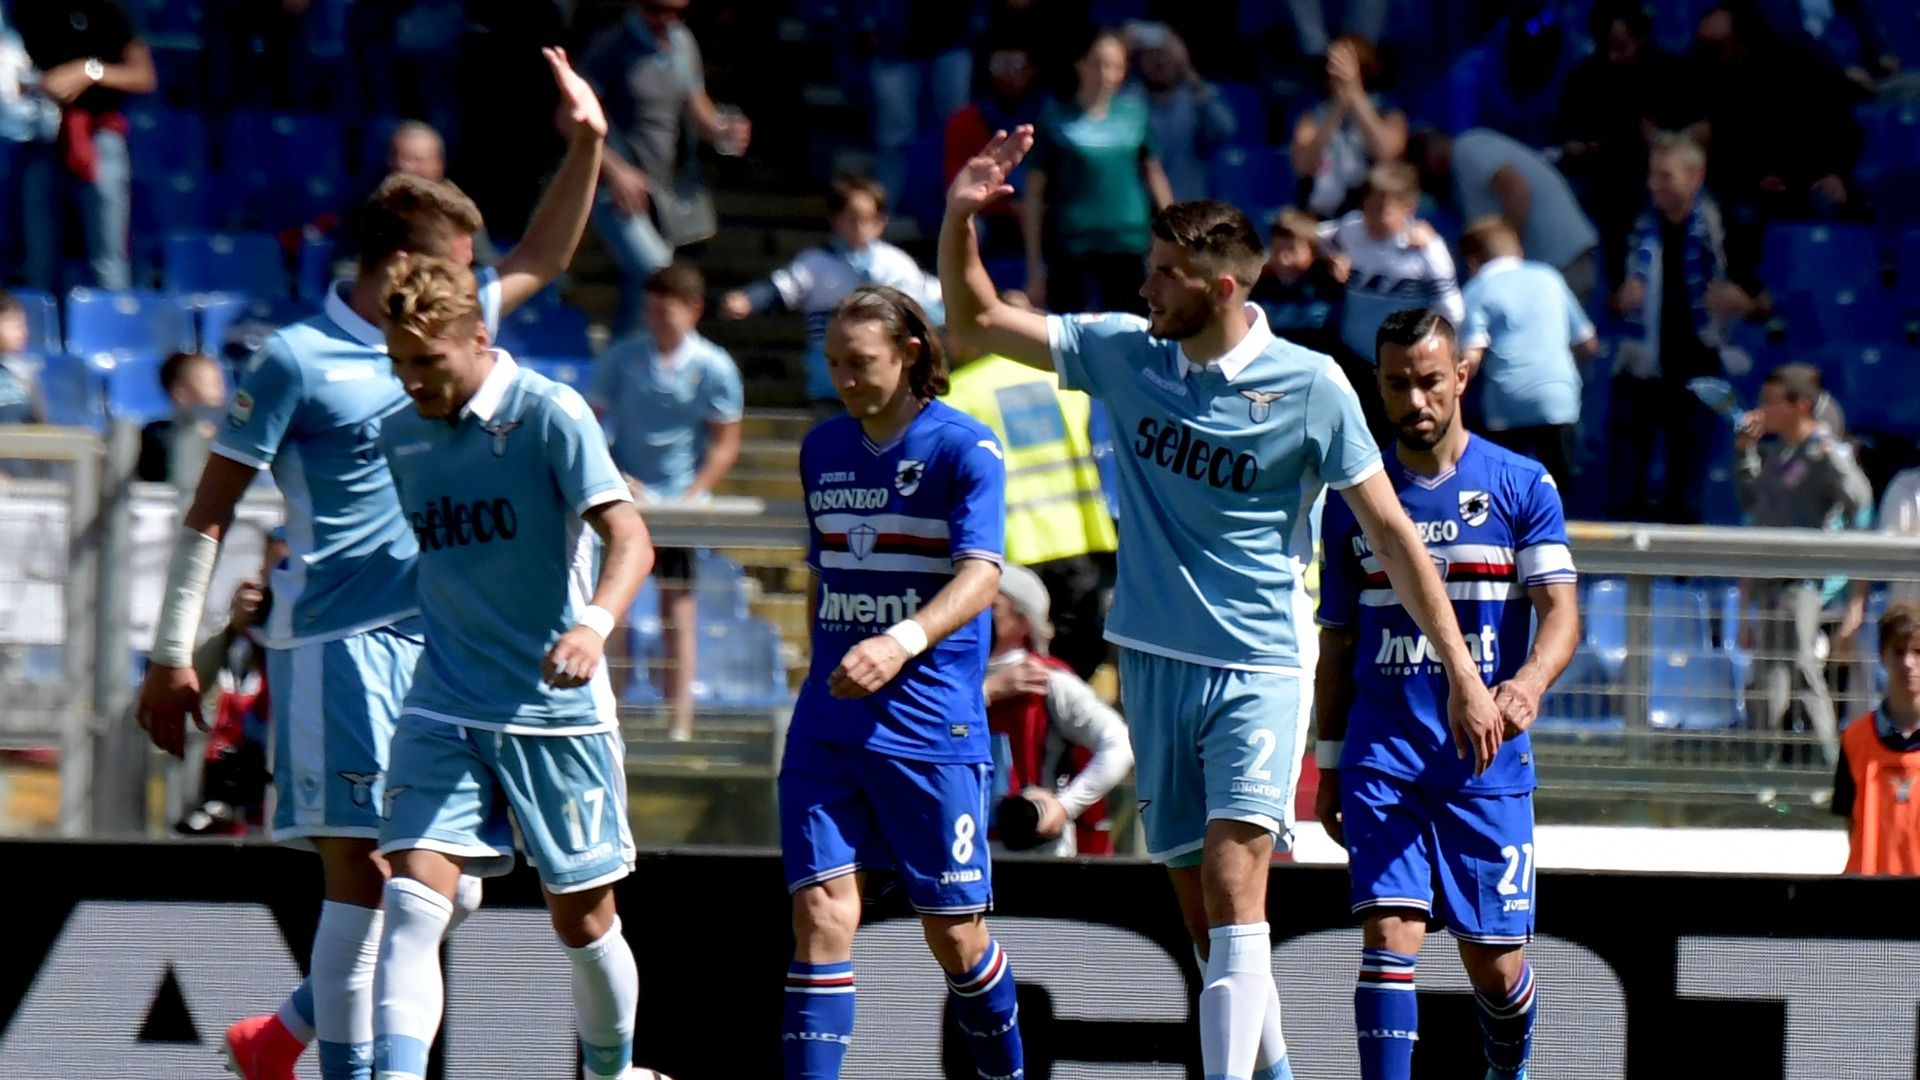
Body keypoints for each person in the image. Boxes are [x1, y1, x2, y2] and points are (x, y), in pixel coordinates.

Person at [941, 129, 1503, 1080]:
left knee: (1240, 888)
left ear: (1223, 288)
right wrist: (962, 214)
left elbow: (1395, 538)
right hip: (1154, 661)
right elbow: (979, 319)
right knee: (1205, 919)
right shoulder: (1124, 352)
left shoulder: (1313, 386)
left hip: (1258, 666)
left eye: (1165, 274)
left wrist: (1462, 670)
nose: (1146, 288)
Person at [134, 47, 607, 1080]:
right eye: (454, 258)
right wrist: (176, 655)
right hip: (339, 644)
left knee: (439, 885)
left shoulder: (442, 331)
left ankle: (288, 1034)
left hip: (446, 648)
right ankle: (327, 1061)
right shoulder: (296, 358)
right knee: (365, 879)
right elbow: (211, 509)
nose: (473, 279)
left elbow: (548, 254)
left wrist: (590, 142)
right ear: (400, 259)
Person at [370, 253, 655, 1080]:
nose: (414, 382)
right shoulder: (401, 436)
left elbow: (632, 539)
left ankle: (611, 1073)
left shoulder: (550, 414)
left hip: (553, 711)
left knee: (583, 920)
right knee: (412, 899)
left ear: (478, 339)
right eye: (399, 364)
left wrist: (594, 626)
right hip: (445, 699)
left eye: (429, 362)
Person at [1314, 307, 1579, 1080]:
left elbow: (1561, 612)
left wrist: (1525, 687)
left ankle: (1507, 1063)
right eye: (1397, 384)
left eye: (1430, 380)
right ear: (1379, 387)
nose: (1415, 400)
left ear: (1461, 376)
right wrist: (1328, 763)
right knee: (1390, 931)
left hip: (1484, 757)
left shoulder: (1521, 483)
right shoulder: (1353, 499)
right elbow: (1337, 641)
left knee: (1494, 969)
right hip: (1383, 750)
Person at [779, 285, 1019, 1080]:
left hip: (928, 728)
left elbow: (984, 576)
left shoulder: (964, 448)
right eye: (835, 363)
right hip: (829, 727)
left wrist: (901, 639)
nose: (844, 378)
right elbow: (823, 577)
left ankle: (1003, 1073)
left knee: (954, 936)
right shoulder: (821, 450)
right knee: (819, 915)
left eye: (861, 362)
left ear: (911, 352)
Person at [590, 262, 743, 741]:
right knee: (614, 608)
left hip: (678, 508)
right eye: (651, 310)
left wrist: (691, 495)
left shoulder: (714, 367)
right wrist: (614, 477)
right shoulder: (622, 358)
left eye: (666, 310)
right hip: (625, 503)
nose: (656, 319)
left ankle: (680, 724)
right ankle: (607, 718)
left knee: (677, 609)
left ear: (693, 310)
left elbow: (724, 442)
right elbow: (590, 422)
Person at [943, 302, 1117, 681]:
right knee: (1074, 669)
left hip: (1009, 553)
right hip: (1077, 542)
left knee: (1014, 669)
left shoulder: (958, 395)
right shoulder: (1066, 382)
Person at [1608, 131, 1764, 525]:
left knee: (1686, 485)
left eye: (1665, 176)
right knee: (1626, 485)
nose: (1653, 185)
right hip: (1640, 370)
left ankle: (1678, 580)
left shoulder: (1727, 227)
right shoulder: (1632, 224)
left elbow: (1769, 302)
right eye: (1652, 175)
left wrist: (1742, 303)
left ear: (1696, 176)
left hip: (1698, 370)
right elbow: (1605, 300)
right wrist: (1619, 298)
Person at [581, 0, 751, 338]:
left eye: (678, 11)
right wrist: (617, 171)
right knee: (658, 272)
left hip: (663, 194)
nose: (666, 19)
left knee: (641, 292)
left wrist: (722, 129)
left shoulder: (683, 42)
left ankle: (622, 372)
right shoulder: (610, 47)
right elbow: (570, 120)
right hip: (611, 190)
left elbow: (697, 108)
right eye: (657, 9)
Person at [1734, 363, 1873, 765]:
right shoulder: (1779, 454)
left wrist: (1842, 565)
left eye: (1770, 403)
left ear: (1800, 405)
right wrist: (1745, 455)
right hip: (1769, 584)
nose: (1761, 410)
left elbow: (1859, 503)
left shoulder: (1824, 452)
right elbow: (1753, 503)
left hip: (1802, 583)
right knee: (1768, 678)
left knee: (1801, 670)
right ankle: (1763, 769)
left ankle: (1830, 769)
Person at [720, 175, 941, 409]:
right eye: (851, 218)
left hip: (883, 385)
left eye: (868, 219)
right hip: (831, 384)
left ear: (881, 222)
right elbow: (780, 288)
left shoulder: (896, 263)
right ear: (835, 219)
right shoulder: (815, 263)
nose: (860, 227)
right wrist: (748, 300)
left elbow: (930, 298)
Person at [984, 561, 1132, 857]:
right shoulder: (947, 679)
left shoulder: (1049, 681)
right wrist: (987, 692)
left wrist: (1065, 805)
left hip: (1035, 856)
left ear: (1024, 619)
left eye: (991, 607)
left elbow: (1120, 743)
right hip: (959, 853)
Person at [1023, 26, 1173, 314]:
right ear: (1081, 65)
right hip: (1072, 245)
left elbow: (1154, 175)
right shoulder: (1054, 119)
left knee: (1130, 331)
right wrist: (1034, 265)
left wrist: (1174, 231)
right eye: (1098, 63)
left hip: (1127, 245)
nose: (1105, 73)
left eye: (1114, 66)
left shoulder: (1135, 115)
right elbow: (1034, 192)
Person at [11, 0, 155, 292]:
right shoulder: (24, 10)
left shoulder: (107, 8)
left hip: (97, 136)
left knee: (107, 261)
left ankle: (113, 332)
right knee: (37, 260)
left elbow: (144, 76)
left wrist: (89, 71)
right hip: (41, 134)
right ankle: (39, 332)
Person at [1321, 162, 1464, 442]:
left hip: (1402, 364)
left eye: (1382, 210)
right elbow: (1313, 236)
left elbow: (1452, 311)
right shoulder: (1351, 229)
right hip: (1354, 358)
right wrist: (1333, 258)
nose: (1371, 218)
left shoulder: (1427, 250)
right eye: (1368, 207)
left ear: (1407, 209)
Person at [1456, 217, 1598, 490]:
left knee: (1505, 490)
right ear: (1518, 251)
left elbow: (1471, 358)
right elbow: (1588, 343)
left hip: (1507, 405)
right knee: (1558, 490)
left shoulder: (1476, 290)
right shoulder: (1550, 277)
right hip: (1559, 399)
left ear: (1472, 262)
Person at [1406, 126, 1601, 305]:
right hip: (1552, 269)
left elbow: (1518, 192)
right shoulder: (1461, 179)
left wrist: (1504, 258)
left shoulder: (1468, 148)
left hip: (1562, 263)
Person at [942, 35, 1043, 272]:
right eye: (1000, 65)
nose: (1008, 74)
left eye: (1016, 65)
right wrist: (1007, 207)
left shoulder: (1048, 117)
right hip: (988, 213)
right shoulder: (963, 121)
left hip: (1039, 213)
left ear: (1031, 69)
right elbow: (954, 183)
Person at [1833, 602, 1920, 876]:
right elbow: (1852, 829)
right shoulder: (1854, 740)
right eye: (1898, 651)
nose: (1908, 662)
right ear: (1882, 655)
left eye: (1918, 652)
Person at [1289, 35, 1406, 219]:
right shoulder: (1311, 118)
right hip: (1320, 214)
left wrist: (1356, 96)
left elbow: (1387, 153)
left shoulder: (1389, 114)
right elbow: (1303, 166)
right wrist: (1336, 109)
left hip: (1371, 214)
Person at [1127, 22, 1237, 203]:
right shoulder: (1130, 100)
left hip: (1189, 209)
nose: (1159, 62)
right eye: (1151, 54)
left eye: (1164, 53)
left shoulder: (1197, 97)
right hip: (1142, 211)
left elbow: (1225, 129)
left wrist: (1193, 79)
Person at [1249, 208, 1343, 356]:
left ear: (1312, 251)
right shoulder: (1261, 287)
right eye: (1276, 250)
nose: (1283, 260)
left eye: (1292, 250)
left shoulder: (1328, 283)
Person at [136, 351, 228, 486]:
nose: (219, 390)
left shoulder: (231, 435)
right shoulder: (157, 436)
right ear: (181, 392)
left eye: (219, 382)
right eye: (209, 383)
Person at [0, 290, 45, 425]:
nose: (24, 333)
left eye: (24, 326)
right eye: (16, 327)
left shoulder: (25, 375)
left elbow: (40, 428)